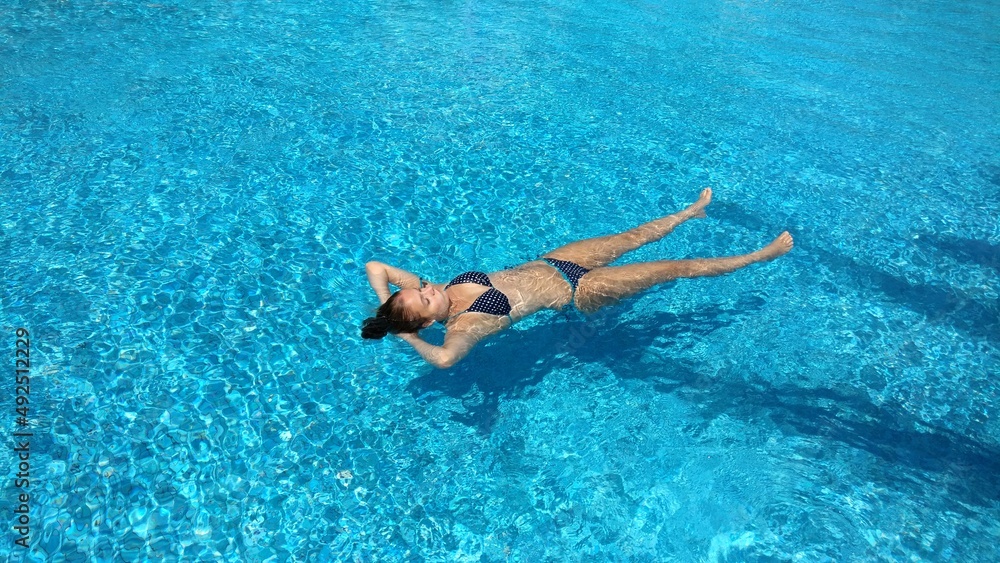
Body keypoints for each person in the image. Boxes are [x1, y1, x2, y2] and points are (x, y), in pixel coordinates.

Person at [362, 188, 793, 368]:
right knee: (674, 268)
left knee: (632, 236)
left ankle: (689, 212)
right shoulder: (465, 324)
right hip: (580, 291)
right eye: (424, 299)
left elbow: (376, 267)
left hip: (558, 260)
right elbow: (445, 359)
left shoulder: (435, 293)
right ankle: (758, 256)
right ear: (425, 323)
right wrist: (406, 338)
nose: (427, 288)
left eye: (419, 288)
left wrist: (387, 307)